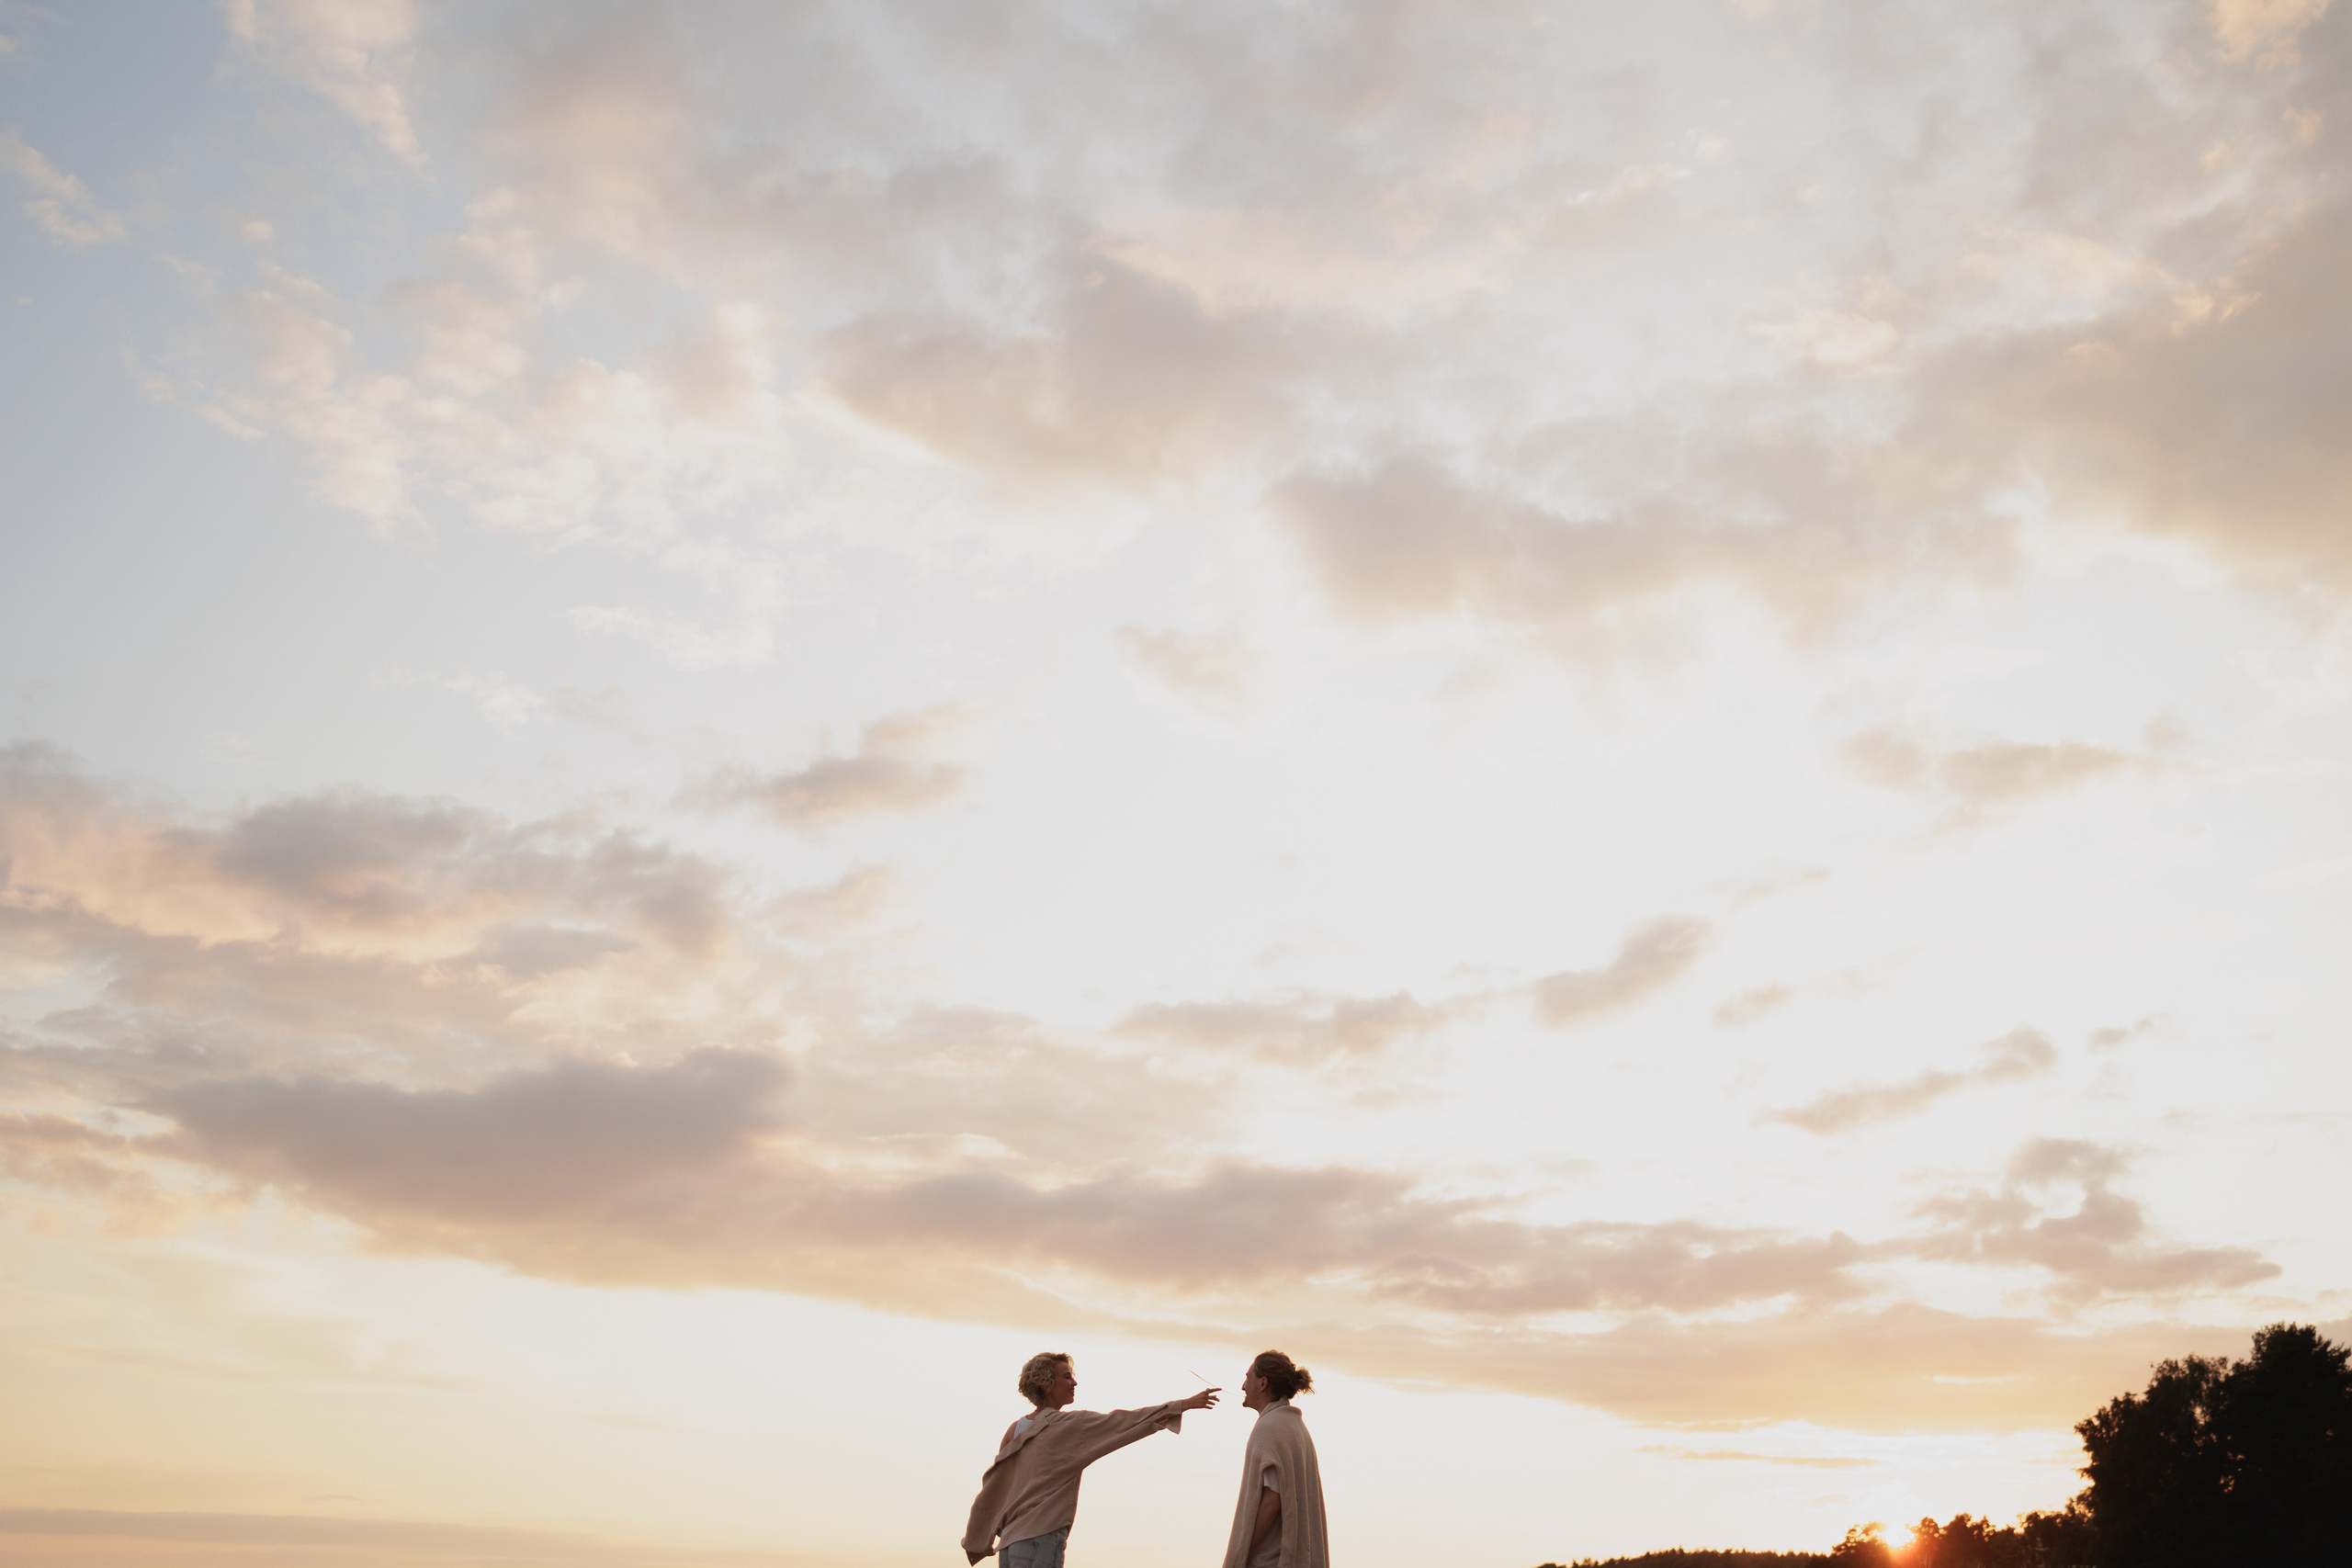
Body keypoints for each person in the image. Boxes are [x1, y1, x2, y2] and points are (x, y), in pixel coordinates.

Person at [962, 1351, 1220, 1566]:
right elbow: (1123, 1422)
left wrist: (978, 1539)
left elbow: (994, 1488)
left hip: (1009, 1547)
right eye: (1067, 1377)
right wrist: (1181, 1405)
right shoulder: (1069, 1425)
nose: (1074, 1383)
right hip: (1040, 1540)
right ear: (1046, 1384)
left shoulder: (1015, 1429)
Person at [1221, 1349, 1328, 1568]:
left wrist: (1243, 1554)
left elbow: (1272, 1502)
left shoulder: (1268, 1429)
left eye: (1247, 1378)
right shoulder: (1297, 1428)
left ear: (1263, 1383)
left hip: (1271, 1561)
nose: (1242, 1386)